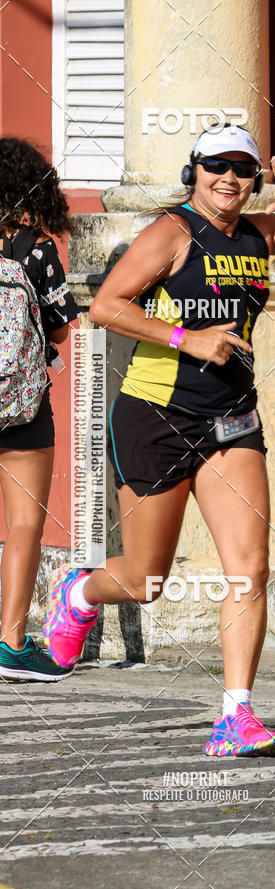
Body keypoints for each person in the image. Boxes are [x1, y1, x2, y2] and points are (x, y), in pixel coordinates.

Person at [43, 125, 275, 754]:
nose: (230, 178)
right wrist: (187, 339)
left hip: (232, 420)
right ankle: (79, 591)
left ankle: (236, 715)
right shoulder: (172, 232)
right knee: (145, 581)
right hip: (156, 417)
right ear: (194, 171)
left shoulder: (261, 233)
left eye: (243, 168)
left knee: (250, 568)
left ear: (256, 179)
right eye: (217, 165)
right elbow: (107, 306)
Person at [0, 137, 82, 681]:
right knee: (25, 522)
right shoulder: (35, 249)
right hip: (21, 402)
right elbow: (58, 328)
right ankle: (11, 643)